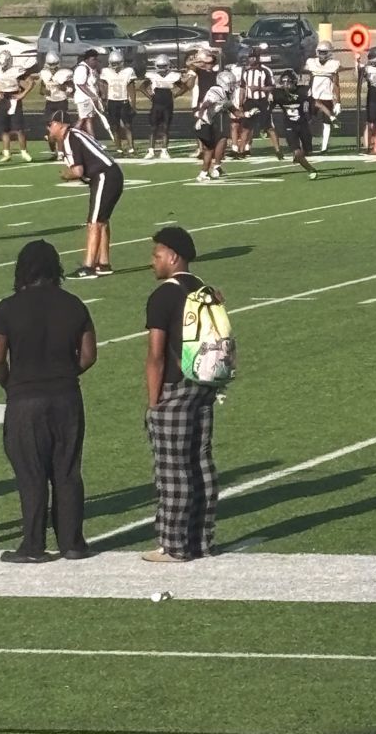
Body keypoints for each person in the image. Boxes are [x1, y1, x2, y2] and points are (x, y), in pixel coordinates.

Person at [0, 241, 97, 563]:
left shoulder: (6, 308)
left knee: (31, 473)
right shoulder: (74, 304)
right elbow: (89, 355)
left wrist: (12, 383)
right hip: (66, 396)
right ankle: (72, 543)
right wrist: (64, 373)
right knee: (67, 471)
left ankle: (33, 545)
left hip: (24, 399)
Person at [143, 226, 219, 562]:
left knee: (172, 470)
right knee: (200, 464)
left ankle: (173, 546)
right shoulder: (204, 289)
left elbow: (155, 354)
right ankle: (200, 540)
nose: (153, 262)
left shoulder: (164, 295)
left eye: (157, 255)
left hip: (176, 386)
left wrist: (153, 401)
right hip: (205, 383)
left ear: (173, 257)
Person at [47, 115, 124, 279]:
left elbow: (78, 171)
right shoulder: (75, 134)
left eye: (50, 125)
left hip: (104, 175)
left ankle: (88, 267)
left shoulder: (71, 137)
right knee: (102, 221)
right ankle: (103, 263)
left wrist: (66, 175)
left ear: (59, 124)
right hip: (110, 174)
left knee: (94, 223)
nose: (48, 129)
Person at [0, 48, 33, 163]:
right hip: (3, 99)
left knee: (19, 128)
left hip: (14, 98)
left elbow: (31, 81)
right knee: (4, 129)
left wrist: (22, 94)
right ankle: (6, 153)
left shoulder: (16, 70)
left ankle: (24, 152)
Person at [194, 69, 239, 183]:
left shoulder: (225, 94)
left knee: (218, 142)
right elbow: (207, 103)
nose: (232, 87)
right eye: (230, 84)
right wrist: (201, 112)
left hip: (210, 122)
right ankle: (207, 172)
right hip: (205, 122)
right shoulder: (217, 90)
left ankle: (210, 170)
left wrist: (249, 114)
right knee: (210, 148)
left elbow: (234, 110)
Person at [237, 49, 283, 160]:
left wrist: (259, 88)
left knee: (269, 127)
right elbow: (242, 88)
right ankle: (241, 151)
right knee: (246, 127)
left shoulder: (265, 71)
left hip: (262, 101)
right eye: (250, 57)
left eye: (254, 57)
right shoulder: (246, 71)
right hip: (249, 101)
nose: (251, 59)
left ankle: (278, 150)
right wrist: (240, 103)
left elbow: (272, 86)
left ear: (258, 58)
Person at [273, 70, 318, 179]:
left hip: (303, 125)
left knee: (307, 151)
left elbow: (314, 104)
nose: (286, 85)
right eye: (283, 82)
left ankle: (301, 157)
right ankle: (311, 170)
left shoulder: (302, 91)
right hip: (290, 126)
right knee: (297, 152)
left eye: (288, 82)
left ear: (294, 82)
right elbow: (268, 107)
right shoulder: (278, 94)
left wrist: (311, 115)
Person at [141, 54, 184, 159]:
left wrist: (176, 94)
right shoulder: (152, 76)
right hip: (156, 104)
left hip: (167, 104)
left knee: (165, 128)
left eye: (163, 66)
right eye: (159, 66)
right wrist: (150, 97)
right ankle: (151, 150)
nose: (161, 68)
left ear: (168, 65)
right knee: (153, 128)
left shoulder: (173, 76)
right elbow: (142, 87)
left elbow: (183, 87)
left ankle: (164, 150)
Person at [306, 41, 341, 153]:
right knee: (307, 121)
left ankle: (324, 148)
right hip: (314, 95)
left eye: (324, 52)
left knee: (326, 124)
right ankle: (307, 144)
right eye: (320, 52)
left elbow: (336, 84)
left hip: (327, 96)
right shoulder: (312, 62)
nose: (322, 55)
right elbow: (309, 77)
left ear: (329, 53)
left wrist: (338, 101)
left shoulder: (333, 64)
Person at [39, 51, 74, 161]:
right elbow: (41, 89)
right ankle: (53, 151)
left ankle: (60, 153)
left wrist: (61, 85)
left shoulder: (64, 73)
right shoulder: (44, 73)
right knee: (49, 131)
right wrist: (45, 91)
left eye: (54, 65)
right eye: (50, 65)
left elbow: (70, 89)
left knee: (59, 130)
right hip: (50, 102)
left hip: (61, 102)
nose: (53, 67)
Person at [100, 50, 136, 156]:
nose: (115, 66)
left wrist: (133, 103)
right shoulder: (106, 72)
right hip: (112, 101)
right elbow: (104, 86)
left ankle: (131, 147)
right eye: (113, 64)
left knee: (127, 125)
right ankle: (119, 148)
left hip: (124, 100)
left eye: (117, 63)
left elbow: (131, 88)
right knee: (115, 126)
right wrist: (104, 100)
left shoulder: (128, 71)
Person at [185, 49, 219, 158]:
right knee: (201, 126)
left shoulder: (216, 72)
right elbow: (188, 64)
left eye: (210, 63)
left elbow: (219, 60)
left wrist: (210, 57)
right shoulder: (201, 71)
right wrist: (200, 60)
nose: (207, 65)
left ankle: (212, 148)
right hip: (202, 101)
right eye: (206, 63)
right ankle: (202, 149)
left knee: (214, 127)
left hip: (214, 102)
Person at [72, 49, 103, 138]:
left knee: (89, 119)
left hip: (89, 99)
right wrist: (92, 95)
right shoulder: (82, 68)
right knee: (84, 119)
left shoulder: (91, 69)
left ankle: (90, 139)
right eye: (93, 60)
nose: (95, 62)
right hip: (84, 99)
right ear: (87, 60)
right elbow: (81, 84)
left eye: (96, 60)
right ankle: (74, 137)